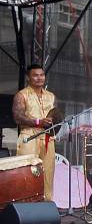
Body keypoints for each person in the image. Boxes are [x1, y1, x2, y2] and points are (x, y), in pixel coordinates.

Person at [12, 64, 58, 200]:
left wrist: (56, 124)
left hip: (48, 138)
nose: (39, 78)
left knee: (48, 174)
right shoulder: (21, 95)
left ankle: (47, 205)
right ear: (28, 78)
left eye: (42, 75)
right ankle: (26, 207)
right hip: (29, 137)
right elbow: (17, 117)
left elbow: (56, 116)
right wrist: (38, 122)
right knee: (27, 173)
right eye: (35, 75)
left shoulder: (51, 96)